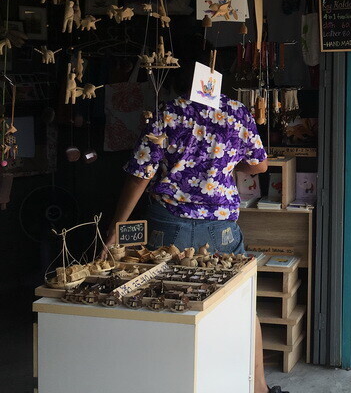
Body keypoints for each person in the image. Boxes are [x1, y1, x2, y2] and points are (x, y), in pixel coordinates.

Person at [104, 83, 283, 393]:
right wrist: (224, 164)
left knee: (162, 303)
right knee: (241, 306)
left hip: (169, 222)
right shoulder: (238, 113)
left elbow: (141, 173)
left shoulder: (168, 113)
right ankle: (259, 388)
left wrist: (115, 228)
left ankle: (171, 382)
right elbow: (260, 165)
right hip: (221, 227)